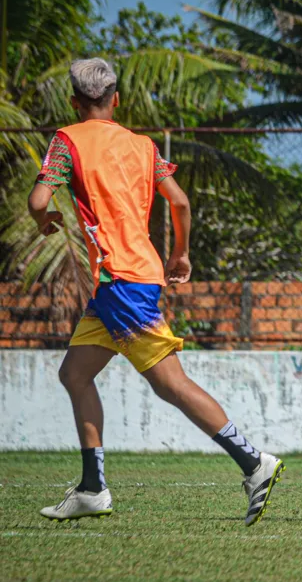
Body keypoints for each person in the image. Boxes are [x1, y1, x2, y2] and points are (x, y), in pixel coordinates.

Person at [29, 58, 284, 525]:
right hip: (128, 278)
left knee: (171, 383)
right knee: (75, 374)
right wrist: (181, 255)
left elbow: (38, 199)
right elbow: (181, 201)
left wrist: (45, 221)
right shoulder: (143, 145)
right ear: (116, 100)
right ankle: (91, 487)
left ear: (73, 102)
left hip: (120, 281)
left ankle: (254, 462)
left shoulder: (67, 140)